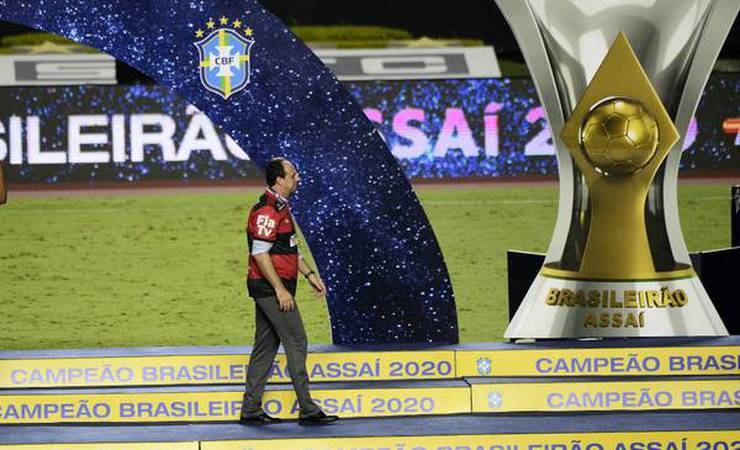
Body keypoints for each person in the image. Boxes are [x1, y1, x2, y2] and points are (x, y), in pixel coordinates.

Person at [240, 157, 339, 426]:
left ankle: (250, 410)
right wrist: (281, 290)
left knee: (265, 346)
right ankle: (307, 409)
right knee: (297, 341)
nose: (298, 178)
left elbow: (288, 249)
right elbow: (260, 255)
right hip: (271, 289)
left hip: (270, 287)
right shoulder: (268, 211)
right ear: (279, 180)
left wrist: (308, 274)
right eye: (293, 174)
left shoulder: (280, 207)